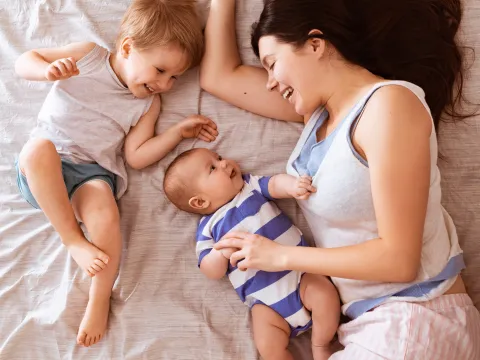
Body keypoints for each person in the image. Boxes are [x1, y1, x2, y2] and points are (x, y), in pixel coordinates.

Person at [200, 0, 480, 359]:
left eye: (272, 64)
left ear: (315, 44)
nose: (270, 83)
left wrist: (281, 256)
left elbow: (399, 260)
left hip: (416, 314)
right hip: (376, 325)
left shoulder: (389, 105)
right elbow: (218, 77)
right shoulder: (317, 117)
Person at [14, 0, 217, 347]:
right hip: (45, 169)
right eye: (160, 71)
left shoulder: (147, 103)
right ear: (127, 48)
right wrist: (47, 71)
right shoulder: (89, 56)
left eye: (174, 78)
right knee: (37, 150)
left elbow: (136, 157)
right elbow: (23, 61)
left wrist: (175, 134)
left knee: (107, 214)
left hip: (91, 174)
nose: (166, 84)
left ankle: (99, 296)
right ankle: (73, 240)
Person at [163, 148, 340, 360]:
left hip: (299, 275)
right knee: (267, 345)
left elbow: (274, 184)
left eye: (219, 158)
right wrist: (221, 254)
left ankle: (320, 345)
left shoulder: (249, 187)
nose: (225, 163)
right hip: (265, 303)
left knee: (325, 296)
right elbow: (209, 270)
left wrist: (292, 186)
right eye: (213, 167)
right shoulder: (208, 229)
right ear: (200, 202)